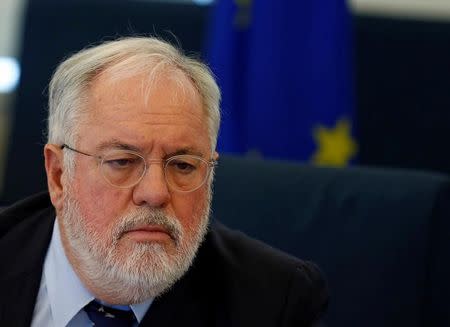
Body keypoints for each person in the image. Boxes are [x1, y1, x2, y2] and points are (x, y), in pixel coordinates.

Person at [0, 37, 328, 326]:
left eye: (183, 165)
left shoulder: (274, 303)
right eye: (122, 162)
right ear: (58, 175)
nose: (155, 192)